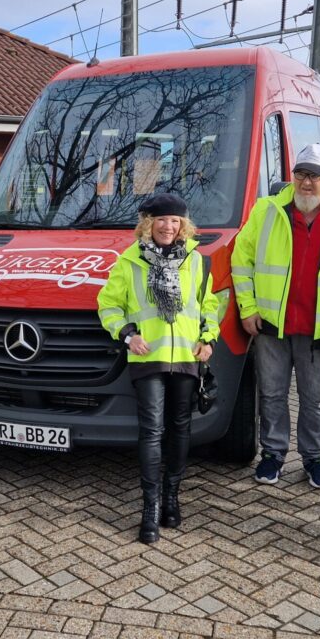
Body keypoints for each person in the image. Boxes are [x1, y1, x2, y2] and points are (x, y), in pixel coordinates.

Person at [232, 143, 320, 489]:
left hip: (318, 326)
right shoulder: (267, 211)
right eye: (300, 174)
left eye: (315, 175)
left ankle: (315, 458)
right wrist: (247, 308)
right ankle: (273, 454)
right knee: (273, 394)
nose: (306, 183)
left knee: (315, 398)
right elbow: (241, 260)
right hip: (271, 324)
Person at [98, 193, 219, 544]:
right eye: (161, 220)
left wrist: (209, 338)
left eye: (175, 220)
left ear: (183, 225)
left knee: (179, 429)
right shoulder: (130, 260)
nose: (168, 226)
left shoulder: (197, 260)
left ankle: (172, 498)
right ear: (148, 224)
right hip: (147, 357)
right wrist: (126, 335)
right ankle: (149, 510)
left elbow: (209, 304)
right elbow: (108, 305)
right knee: (151, 431)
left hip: (185, 357)